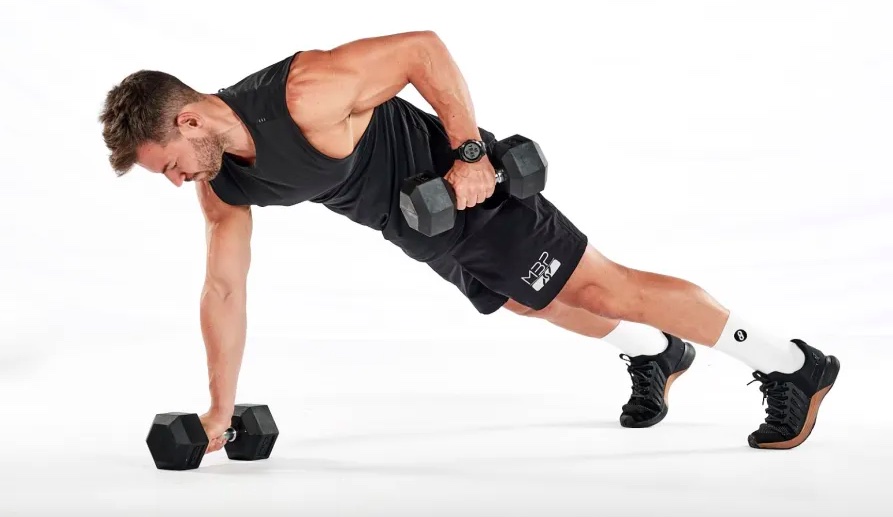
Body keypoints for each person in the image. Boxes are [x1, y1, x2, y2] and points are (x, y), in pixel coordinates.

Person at [98, 31, 839, 454]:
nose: (176, 182)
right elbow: (223, 289)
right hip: (418, 227)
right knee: (529, 302)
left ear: (189, 121)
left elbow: (423, 49)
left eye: (168, 166)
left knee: (602, 285)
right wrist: (216, 411)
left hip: (466, 194)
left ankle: (791, 363)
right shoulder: (222, 184)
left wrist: (469, 152)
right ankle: (653, 351)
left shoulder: (305, 93)